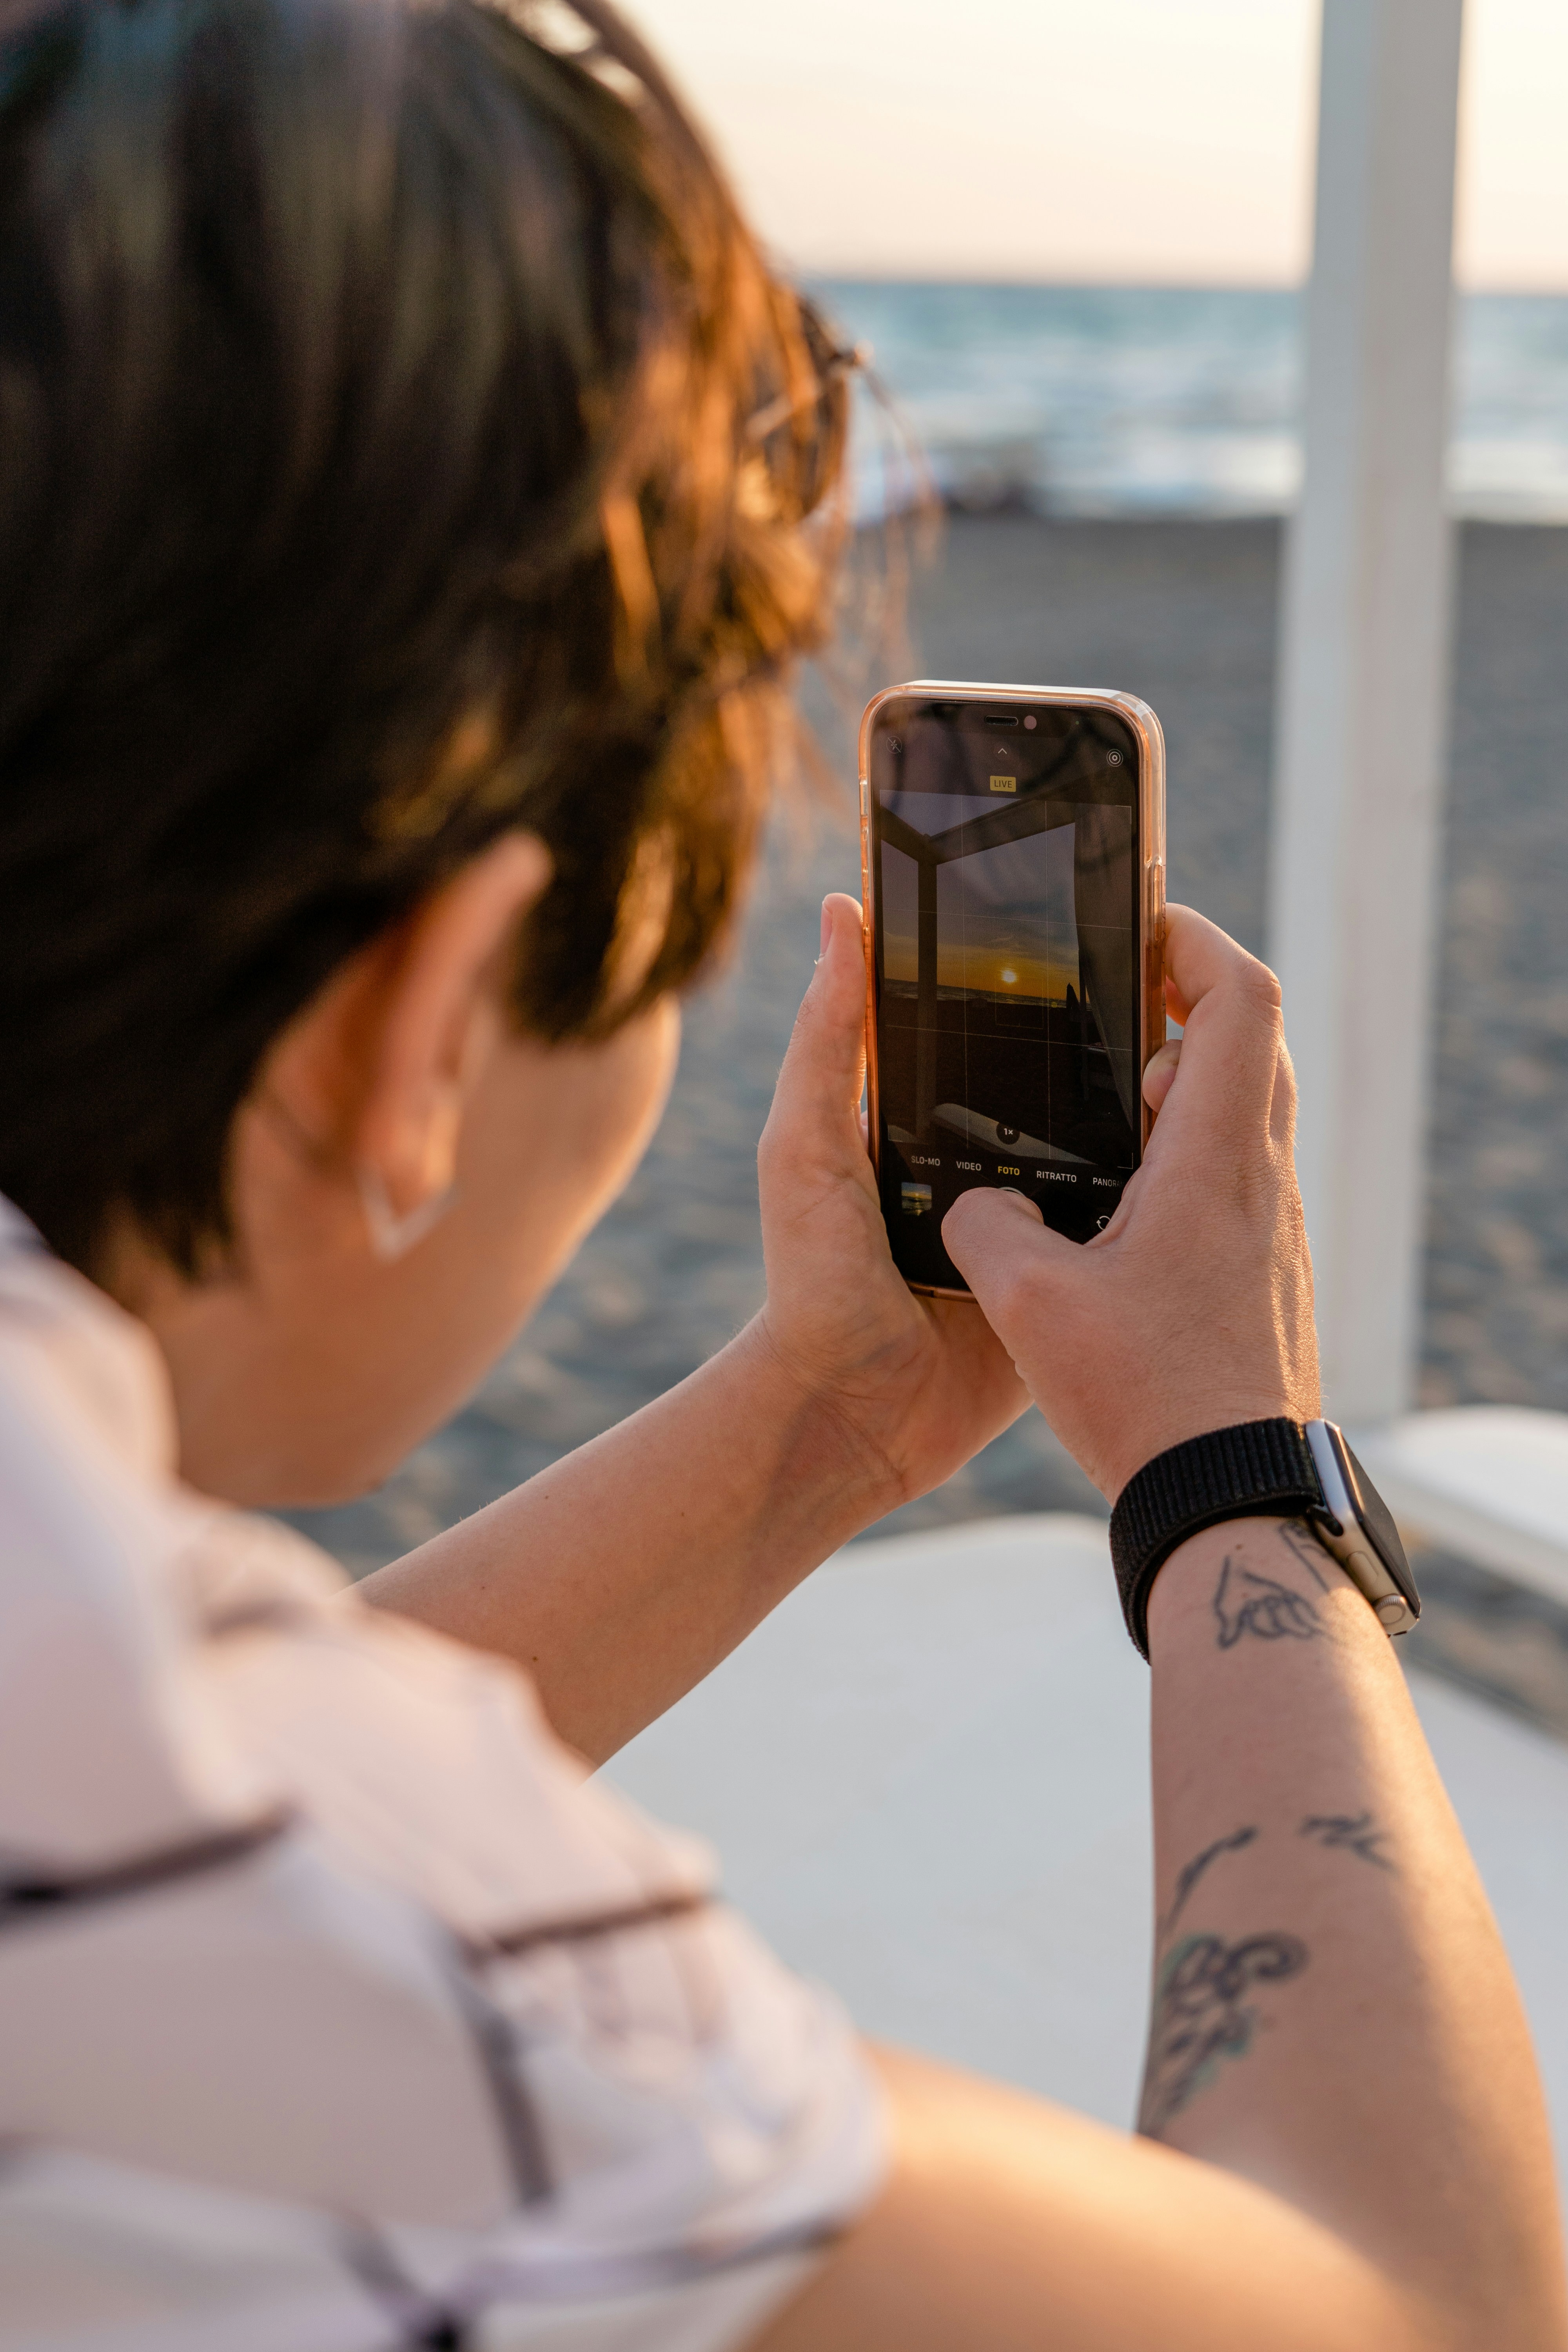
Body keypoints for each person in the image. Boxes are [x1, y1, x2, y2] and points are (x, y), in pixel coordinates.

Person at [0, 0, 1561, 2344]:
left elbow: (195, 1779)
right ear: (416, 1030)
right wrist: (1233, 1468)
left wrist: (822, 1416)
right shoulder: (442, 2025)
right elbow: (1405, 2305)